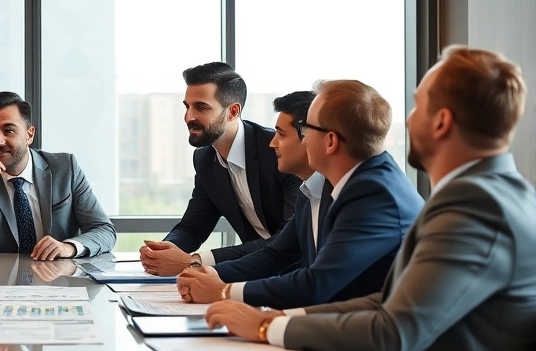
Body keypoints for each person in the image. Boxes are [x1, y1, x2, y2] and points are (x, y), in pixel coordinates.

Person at [205, 47, 536, 351]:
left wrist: (267, 326)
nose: (408, 120)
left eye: (417, 106)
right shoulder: (491, 194)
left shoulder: (475, 208)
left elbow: (392, 333)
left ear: (441, 122)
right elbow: (389, 300)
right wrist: (283, 317)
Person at [178, 83, 423, 309]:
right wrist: (201, 274)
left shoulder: (374, 195)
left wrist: (224, 292)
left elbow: (317, 283)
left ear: (330, 141)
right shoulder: (319, 187)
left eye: (305, 129)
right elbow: (276, 254)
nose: (272, 144)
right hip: (340, 323)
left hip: (378, 340)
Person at [141, 63, 301, 275]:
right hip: (251, 272)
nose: (189, 117)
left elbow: (286, 241)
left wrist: (196, 261)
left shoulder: (279, 151)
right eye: (187, 106)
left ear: (233, 111)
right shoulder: (205, 158)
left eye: (201, 107)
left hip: (293, 272)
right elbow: (193, 227)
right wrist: (163, 251)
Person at [0, 91, 115, 259]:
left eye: (8, 130)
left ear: (29, 134)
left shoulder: (65, 169)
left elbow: (104, 230)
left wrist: (68, 247)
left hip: (63, 281)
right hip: (1, 284)